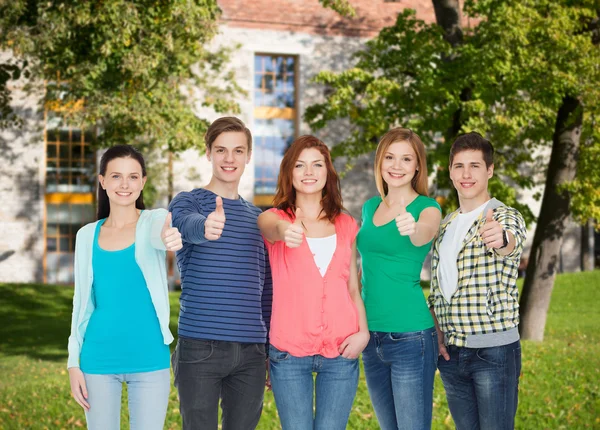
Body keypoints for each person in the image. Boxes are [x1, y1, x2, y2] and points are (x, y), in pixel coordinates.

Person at [67, 144, 183, 430]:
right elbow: (81, 302)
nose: (125, 184)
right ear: (102, 181)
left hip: (149, 358)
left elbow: (163, 230)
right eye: (116, 176)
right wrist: (73, 363)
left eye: (133, 177)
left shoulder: (153, 221)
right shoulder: (85, 237)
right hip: (97, 359)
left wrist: (171, 236)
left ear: (143, 182)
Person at [258, 135, 370, 430]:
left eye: (316, 165)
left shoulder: (346, 224)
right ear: (289, 173)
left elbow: (352, 288)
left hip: (342, 349)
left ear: (328, 172)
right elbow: (270, 227)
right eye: (300, 165)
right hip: (289, 352)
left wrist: (364, 333)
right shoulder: (274, 218)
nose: (309, 172)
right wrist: (285, 230)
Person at [168, 117, 272, 430]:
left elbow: (265, 289)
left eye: (238, 151)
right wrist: (205, 227)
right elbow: (182, 224)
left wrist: (268, 349)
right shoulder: (189, 201)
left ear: (248, 156)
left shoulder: (259, 218)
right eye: (221, 150)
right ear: (209, 153)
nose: (230, 159)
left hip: (252, 351)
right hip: (201, 346)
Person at [429, 132, 526, 430]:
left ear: (490, 170)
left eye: (475, 165)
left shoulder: (503, 216)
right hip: (452, 355)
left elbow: (512, 243)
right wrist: (438, 332)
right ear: (450, 171)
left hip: (493, 354)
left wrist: (502, 240)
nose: (466, 174)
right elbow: (438, 287)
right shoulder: (444, 226)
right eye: (459, 166)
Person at [356, 128, 442, 430]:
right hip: (370, 337)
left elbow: (425, 234)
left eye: (406, 159)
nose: (397, 165)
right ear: (380, 162)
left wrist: (412, 227)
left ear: (417, 165)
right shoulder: (369, 207)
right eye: (390, 157)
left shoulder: (427, 208)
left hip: (410, 337)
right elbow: (363, 268)